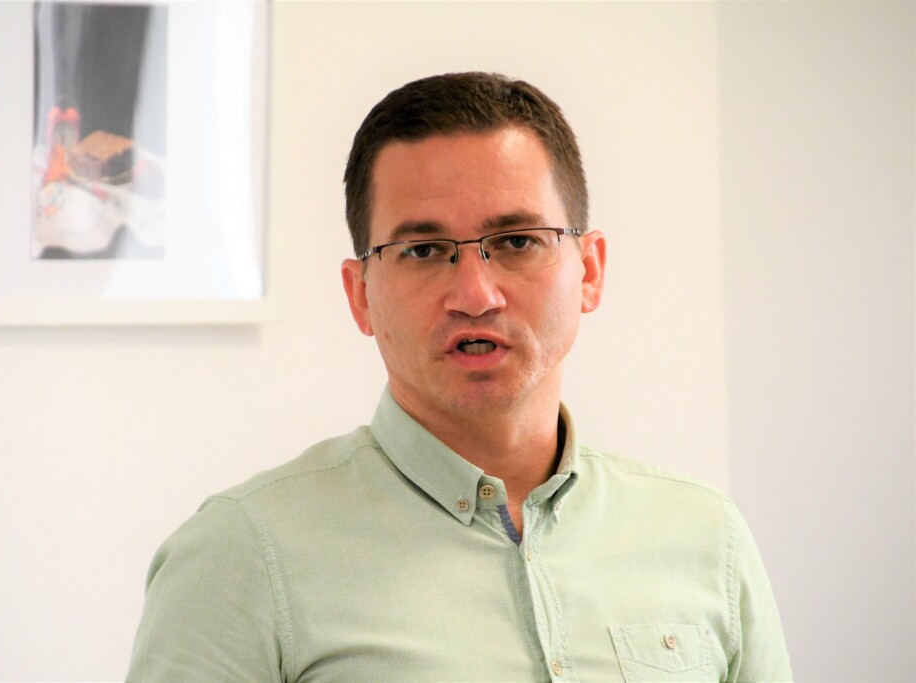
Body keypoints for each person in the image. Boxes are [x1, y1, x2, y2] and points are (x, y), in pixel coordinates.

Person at [127, 72, 792, 682]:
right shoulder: (240, 555)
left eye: (517, 241)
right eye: (423, 250)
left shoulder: (708, 537)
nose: (476, 294)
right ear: (360, 295)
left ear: (589, 270)